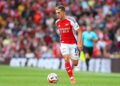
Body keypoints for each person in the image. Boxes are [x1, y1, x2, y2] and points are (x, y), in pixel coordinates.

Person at [55, 5, 83, 84]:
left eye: (59, 13)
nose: (57, 14)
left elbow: (79, 31)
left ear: (63, 12)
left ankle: (73, 57)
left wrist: (79, 43)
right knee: (66, 58)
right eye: (56, 13)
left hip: (73, 44)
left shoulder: (71, 20)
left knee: (75, 63)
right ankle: (71, 78)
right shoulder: (57, 22)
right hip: (64, 44)